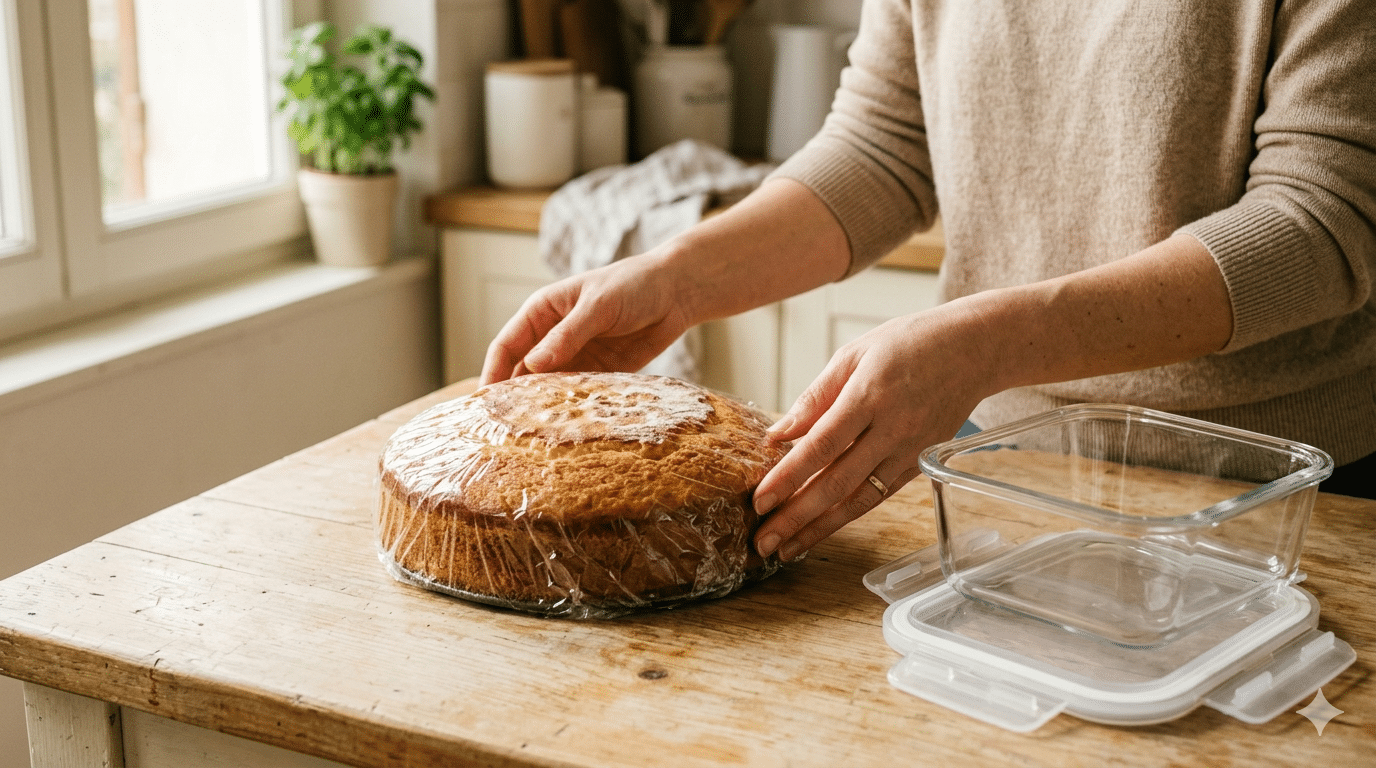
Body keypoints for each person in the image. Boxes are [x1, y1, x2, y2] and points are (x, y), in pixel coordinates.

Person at [483, 0, 1376, 561]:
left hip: (1289, 498)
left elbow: (1325, 221)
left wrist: (984, 343)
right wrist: (676, 276)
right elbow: (885, 146)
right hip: (1014, 469)